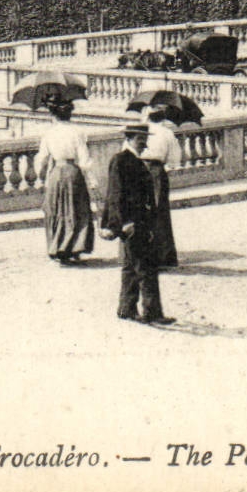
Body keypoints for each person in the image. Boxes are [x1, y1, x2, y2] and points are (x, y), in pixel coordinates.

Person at [101, 122, 175, 325]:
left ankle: (126, 308)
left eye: (145, 139)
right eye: (140, 139)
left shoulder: (135, 161)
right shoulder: (121, 160)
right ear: (130, 138)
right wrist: (123, 222)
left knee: (130, 267)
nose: (144, 143)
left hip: (139, 221)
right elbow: (115, 195)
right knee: (146, 267)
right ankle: (152, 313)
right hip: (133, 223)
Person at [33, 97, 95, 264]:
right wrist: (91, 180)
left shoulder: (49, 133)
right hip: (72, 172)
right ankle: (74, 247)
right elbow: (84, 159)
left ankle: (57, 247)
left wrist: (41, 175)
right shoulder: (77, 132)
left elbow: (42, 158)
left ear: (53, 115)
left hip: (56, 173)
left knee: (56, 209)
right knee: (75, 208)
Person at [140, 106, 181, 268]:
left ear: (148, 116)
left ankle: (141, 254)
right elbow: (174, 158)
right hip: (157, 171)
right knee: (159, 211)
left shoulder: (141, 131)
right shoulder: (167, 133)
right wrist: (167, 167)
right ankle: (162, 255)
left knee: (139, 210)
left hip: (139, 169)